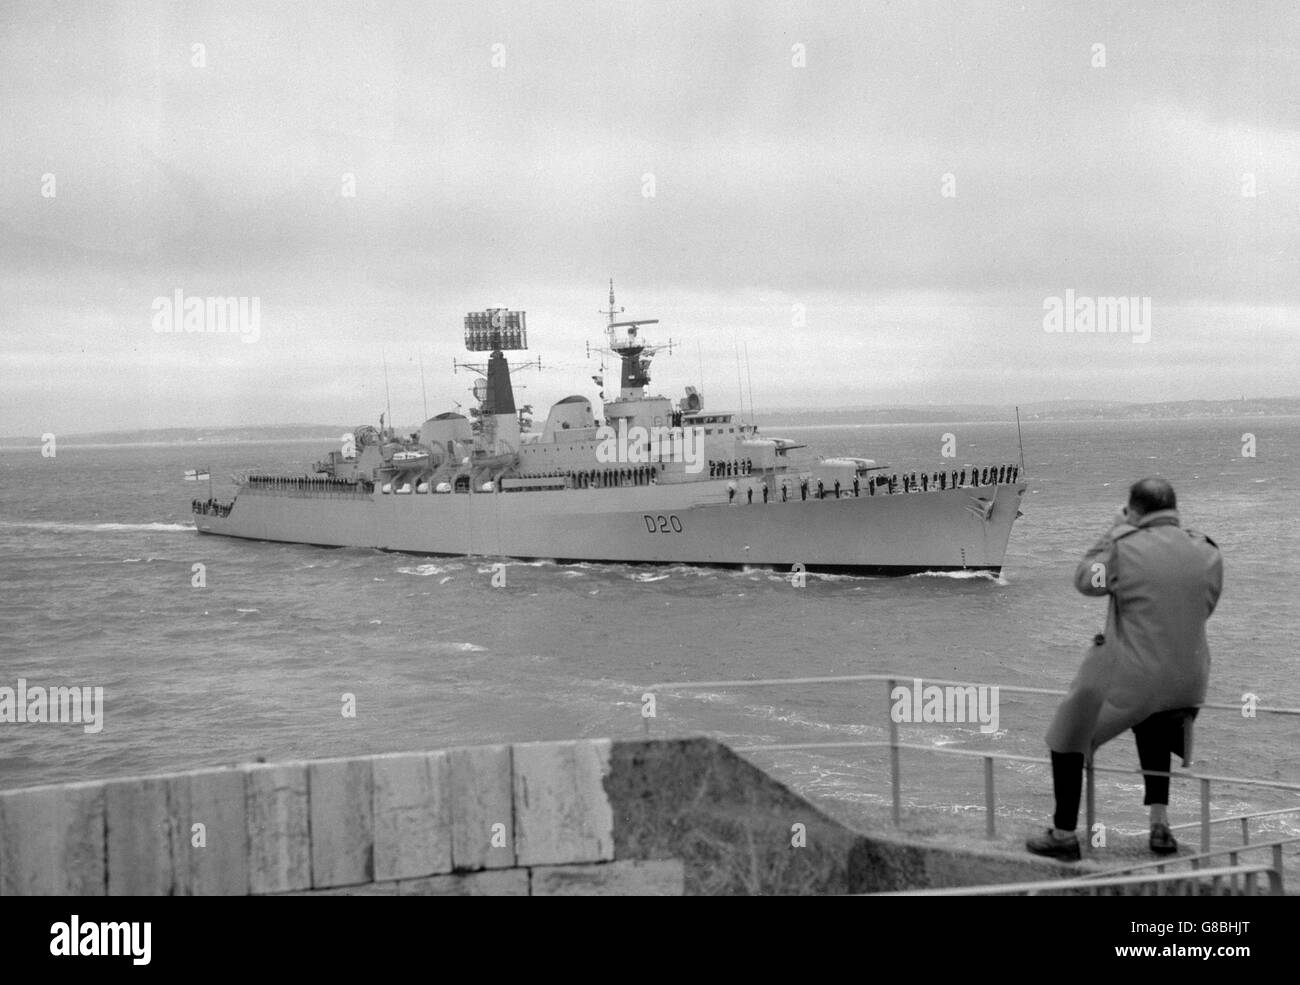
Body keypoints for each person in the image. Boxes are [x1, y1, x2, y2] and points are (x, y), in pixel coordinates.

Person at [1027, 478, 1223, 862]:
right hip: (1190, 678)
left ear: (1134, 510)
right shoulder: (1207, 550)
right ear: (1174, 509)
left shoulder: (1123, 547)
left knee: (1067, 734)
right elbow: (1205, 605)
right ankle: (1160, 827)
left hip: (1137, 674)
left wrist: (1114, 531)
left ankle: (1064, 834)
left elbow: (1087, 581)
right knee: (1156, 721)